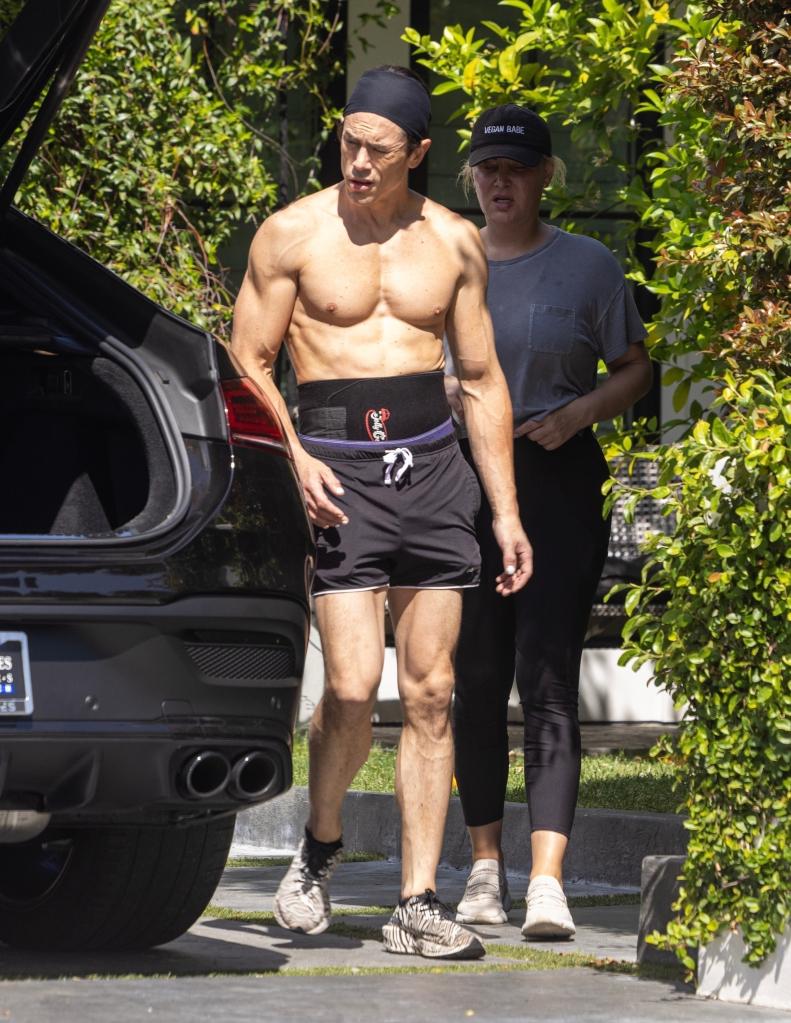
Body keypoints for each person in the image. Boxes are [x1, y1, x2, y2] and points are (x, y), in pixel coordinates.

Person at [230, 68, 532, 960]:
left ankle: (416, 900)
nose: (357, 163)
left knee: (434, 692)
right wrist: (295, 456)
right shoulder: (291, 234)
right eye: (348, 143)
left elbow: (479, 381)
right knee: (355, 686)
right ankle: (319, 848)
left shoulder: (454, 243)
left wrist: (506, 512)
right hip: (336, 468)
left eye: (378, 150)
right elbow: (246, 362)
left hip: (434, 473)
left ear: (420, 155)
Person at [446, 104, 653, 939]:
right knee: (475, 677)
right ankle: (483, 872)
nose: (499, 182)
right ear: (472, 179)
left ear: (543, 178)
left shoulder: (588, 265)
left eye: (515, 169)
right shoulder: (447, 260)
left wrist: (577, 418)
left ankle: (546, 882)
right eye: (485, 169)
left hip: (557, 474)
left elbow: (634, 368)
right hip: (462, 482)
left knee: (547, 679)